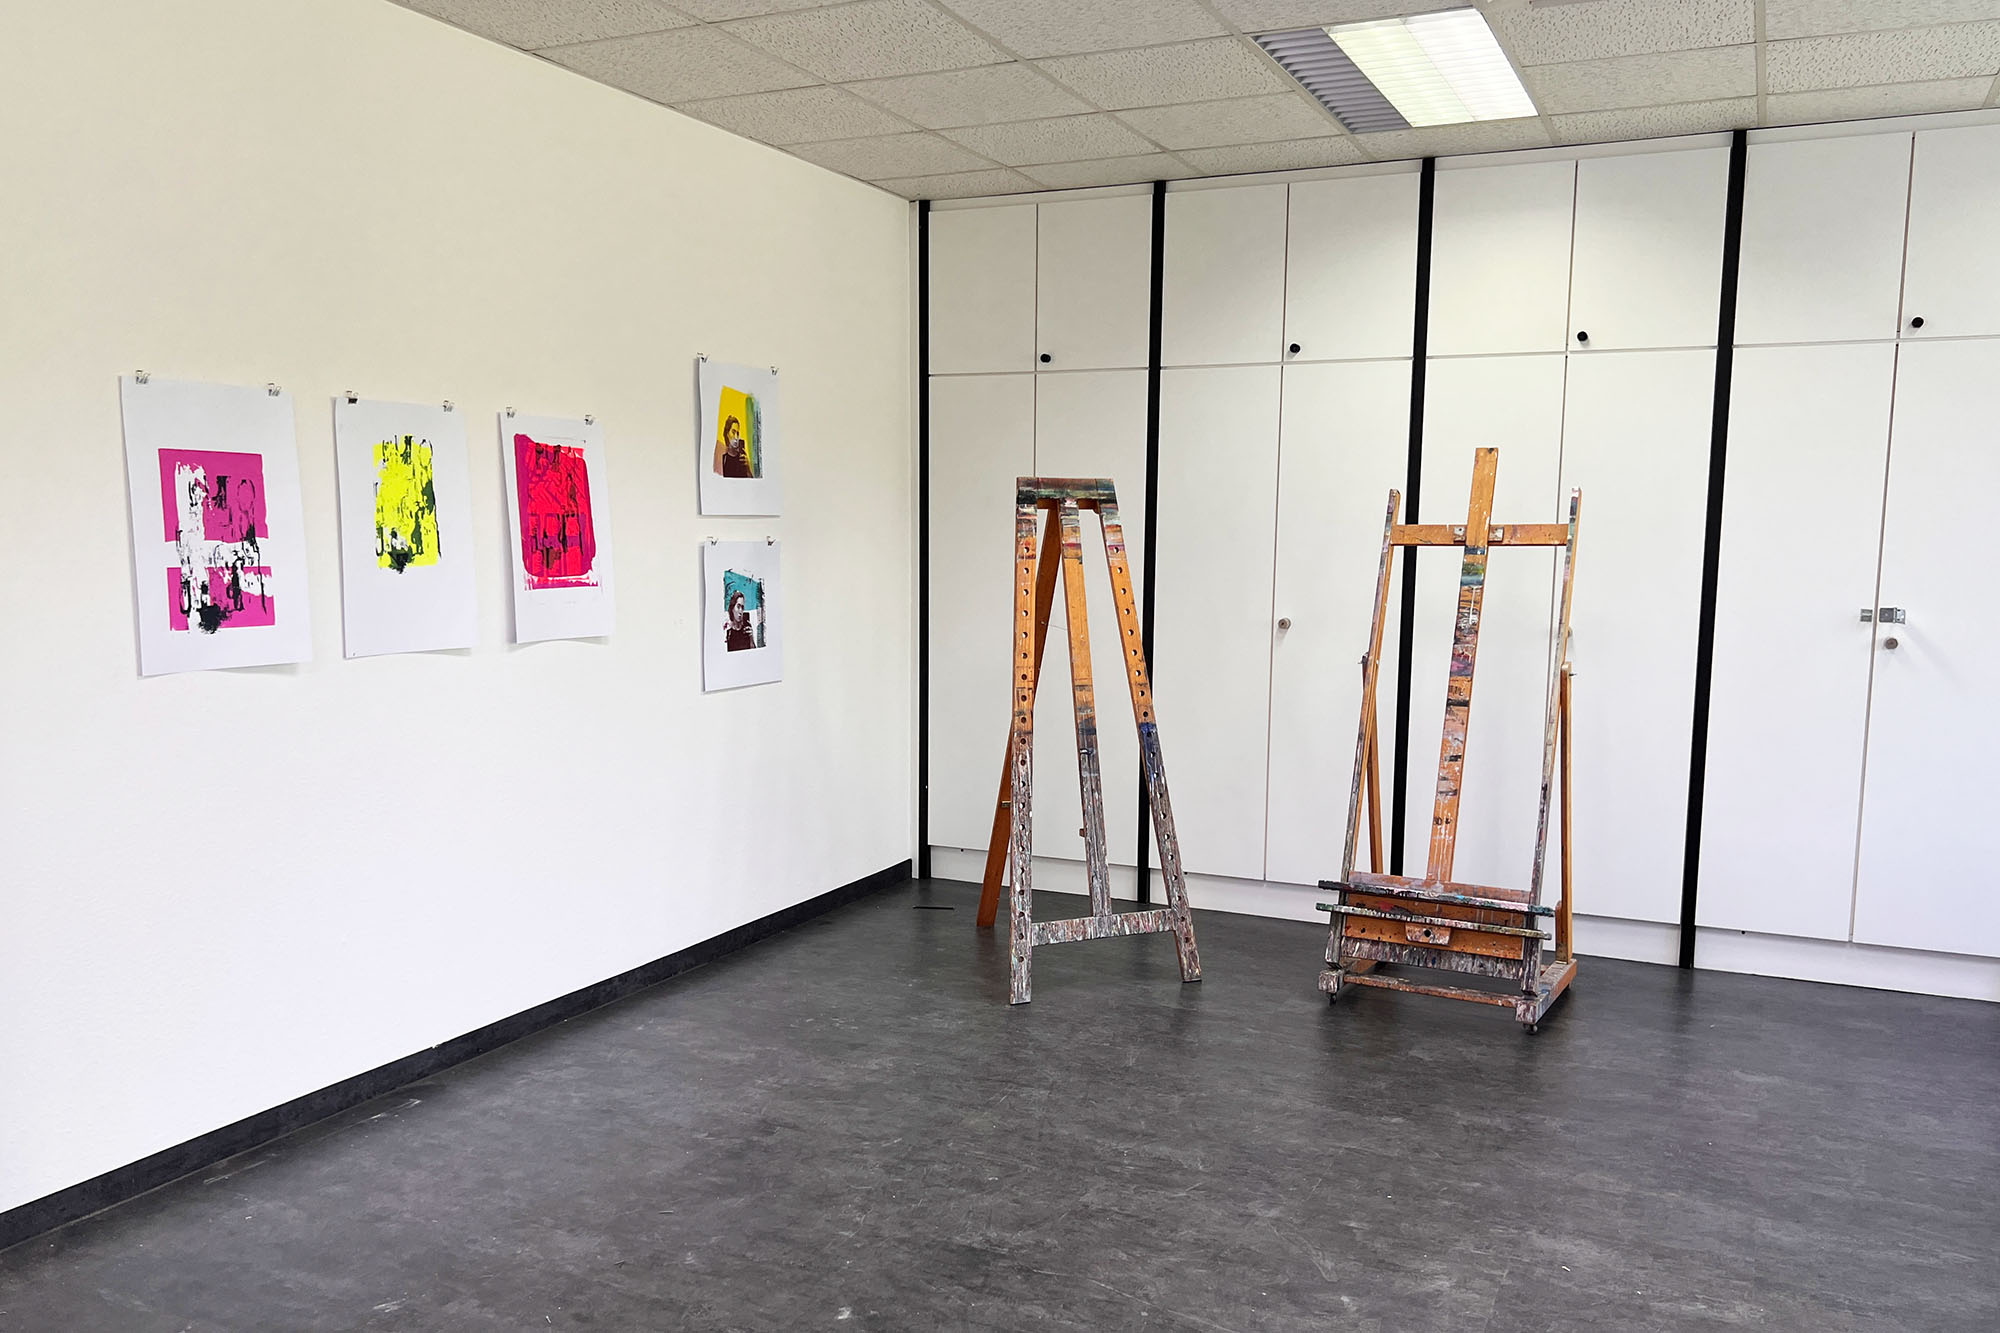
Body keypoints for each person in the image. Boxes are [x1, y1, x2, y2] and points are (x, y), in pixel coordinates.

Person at [715, 414, 754, 478]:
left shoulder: (742, 459)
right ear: (727, 433)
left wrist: (748, 469)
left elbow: (751, 481)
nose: (736, 437)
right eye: (733, 432)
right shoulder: (722, 458)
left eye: (737, 433)